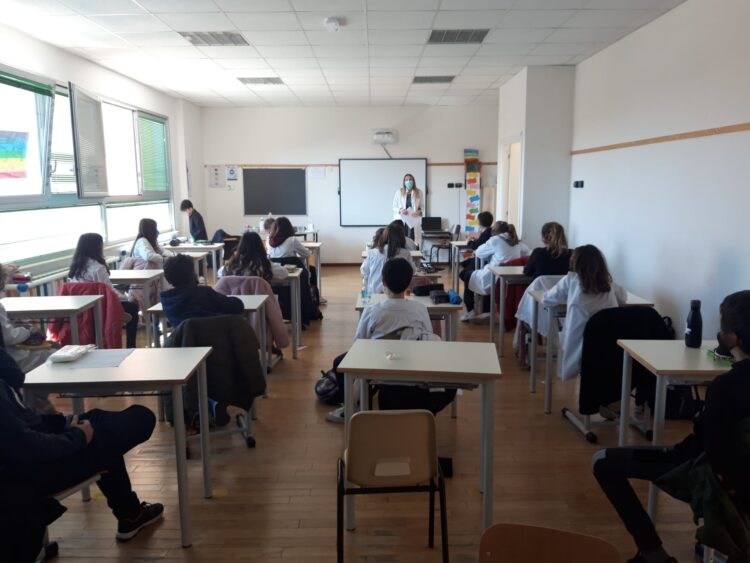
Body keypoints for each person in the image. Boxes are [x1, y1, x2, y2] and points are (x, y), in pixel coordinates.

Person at [593, 290, 750, 563]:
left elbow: (706, 448)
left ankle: (653, 554)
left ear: (732, 338)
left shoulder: (726, 388)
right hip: (737, 483)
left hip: (717, 481)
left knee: (602, 461)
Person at [0, 346, 163, 556]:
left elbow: (16, 389)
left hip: (36, 450)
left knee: (98, 421)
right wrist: (78, 437)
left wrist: (65, 424)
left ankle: (130, 514)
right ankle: (130, 514)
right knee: (140, 419)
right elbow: (27, 446)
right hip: (34, 470)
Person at [327, 258, 445, 423]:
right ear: (409, 283)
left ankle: (352, 407)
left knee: (339, 362)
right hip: (412, 366)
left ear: (383, 282)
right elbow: (427, 338)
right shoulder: (420, 309)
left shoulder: (372, 311)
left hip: (377, 369)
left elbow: (358, 345)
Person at [542, 244, 626, 380]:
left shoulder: (571, 280)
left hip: (580, 341)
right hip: (608, 343)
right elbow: (623, 297)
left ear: (575, 263)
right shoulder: (608, 283)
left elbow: (547, 298)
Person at [68, 233, 140, 348]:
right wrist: (127, 298)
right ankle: (131, 346)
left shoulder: (75, 267)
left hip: (82, 308)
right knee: (133, 307)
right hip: (101, 307)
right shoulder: (98, 268)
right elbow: (109, 292)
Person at [465, 221, 530, 321]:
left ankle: (471, 311)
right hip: (512, 278)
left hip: (496, 275)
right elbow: (528, 252)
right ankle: (486, 310)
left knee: (468, 276)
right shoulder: (516, 241)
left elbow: (479, 252)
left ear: (494, 231)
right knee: (481, 277)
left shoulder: (495, 240)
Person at [160, 254, 244, 329]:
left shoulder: (167, 301)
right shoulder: (204, 293)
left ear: (168, 279)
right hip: (216, 338)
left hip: (185, 340)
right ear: (192, 274)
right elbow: (237, 306)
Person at [457, 211, 494, 320]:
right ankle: (476, 292)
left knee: (465, 274)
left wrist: (469, 241)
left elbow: (476, 247)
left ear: (480, 222)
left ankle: (471, 309)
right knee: (465, 264)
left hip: (484, 263)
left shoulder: (487, 234)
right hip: (486, 262)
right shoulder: (490, 233)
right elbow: (480, 244)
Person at [361, 224, 415, 295]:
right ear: (402, 237)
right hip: (397, 293)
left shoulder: (372, 253)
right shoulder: (405, 253)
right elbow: (412, 271)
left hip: (374, 293)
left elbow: (364, 271)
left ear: (384, 236)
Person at [219, 231, 289, 283]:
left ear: (240, 246)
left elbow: (220, 273)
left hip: (235, 298)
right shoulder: (264, 264)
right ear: (260, 246)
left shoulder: (231, 265)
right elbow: (284, 273)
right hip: (261, 297)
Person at [392, 173, 423, 239]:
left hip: (413, 220)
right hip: (401, 220)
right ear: (404, 182)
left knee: (413, 240)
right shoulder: (399, 192)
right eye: (406, 180)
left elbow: (422, 206)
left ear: (413, 181)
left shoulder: (419, 192)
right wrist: (400, 210)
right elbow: (394, 207)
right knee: (401, 239)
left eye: (410, 179)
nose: (408, 181)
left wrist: (419, 211)